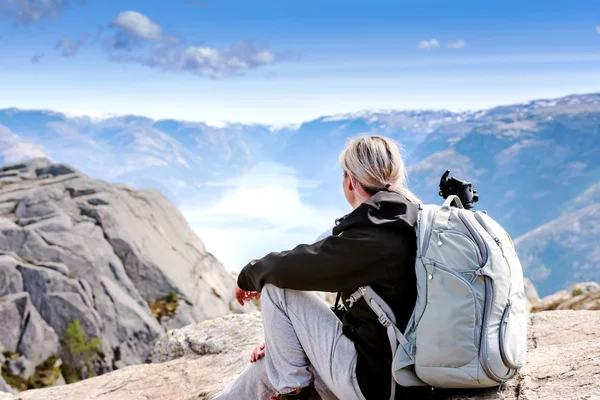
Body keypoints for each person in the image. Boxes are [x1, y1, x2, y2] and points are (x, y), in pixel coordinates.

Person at [212, 135, 430, 400]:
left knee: (276, 289)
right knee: (264, 371)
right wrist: (286, 343)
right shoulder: (411, 221)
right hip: (396, 371)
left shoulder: (377, 236)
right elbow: (380, 311)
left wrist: (248, 275)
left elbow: (294, 267)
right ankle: (290, 386)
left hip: (376, 385)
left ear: (350, 181)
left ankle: (295, 394)